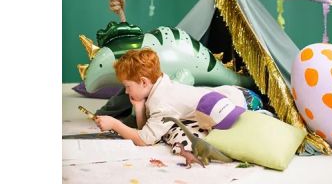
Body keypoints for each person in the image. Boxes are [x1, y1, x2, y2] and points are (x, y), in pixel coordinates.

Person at [94, 47, 250, 146]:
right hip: (227, 94)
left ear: (144, 82)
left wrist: (115, 124)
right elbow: (146, 128)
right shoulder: (160, 85)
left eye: (128, 86)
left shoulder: (163, 102)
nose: (126, 92)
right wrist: (139, 107)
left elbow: (145, 139)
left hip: (241, 99)